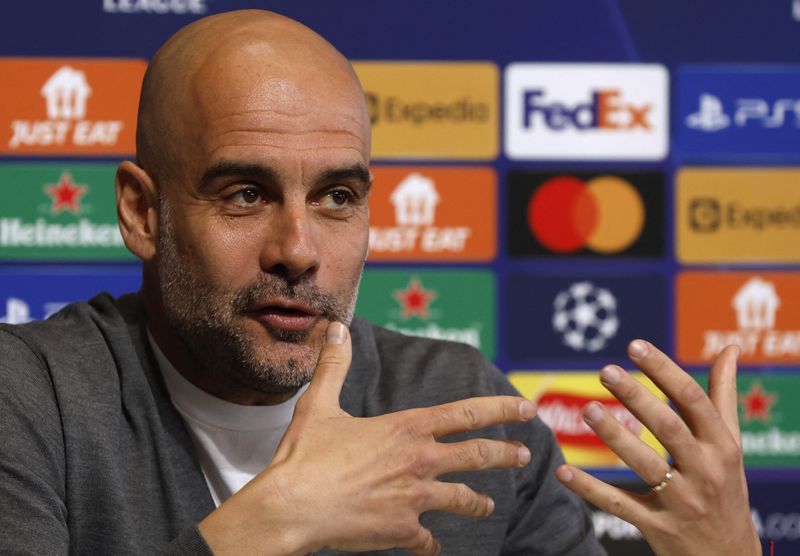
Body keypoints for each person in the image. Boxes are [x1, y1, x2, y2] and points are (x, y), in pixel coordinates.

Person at [0, 9, 760, 556]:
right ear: (142, 212)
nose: (297, 250)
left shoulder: (461, 410)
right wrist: (276, 522)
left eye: (336, 197)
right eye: (245, 194)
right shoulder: (31, 398)